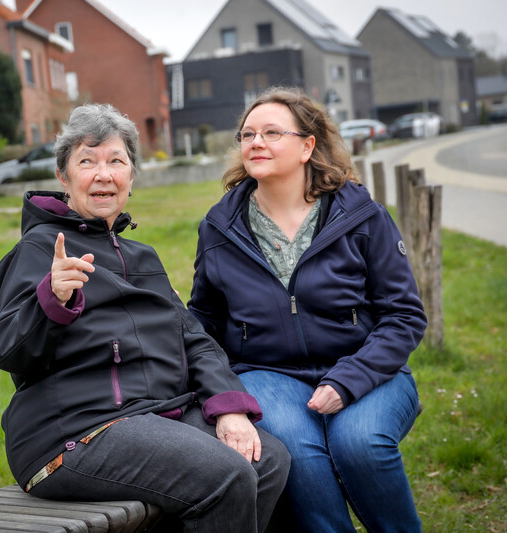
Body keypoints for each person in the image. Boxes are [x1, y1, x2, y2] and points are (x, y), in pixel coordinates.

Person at [0, 103, 290, 532]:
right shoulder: (38, 251)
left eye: (116, 161)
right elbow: (5, 350)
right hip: (73, 432)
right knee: (227, 474)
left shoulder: (142, 257)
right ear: (64, 177)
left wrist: (228, 408)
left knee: (268, 460)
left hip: (155, 415)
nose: (103, 174)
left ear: (131, 176)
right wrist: (51, 299)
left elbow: (194, 339)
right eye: (86, 162)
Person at [188, 86, 427, 532]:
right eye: (248, 134)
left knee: (358, 443)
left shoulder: (360, 217)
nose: (256, 142)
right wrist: (221, 394)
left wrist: (349, 379)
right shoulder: (219, 229)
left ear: (307, 146)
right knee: (296, 450)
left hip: (368, 367)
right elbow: (203, 321)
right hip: (266, 372)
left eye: (272, 132)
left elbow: (404, 316)